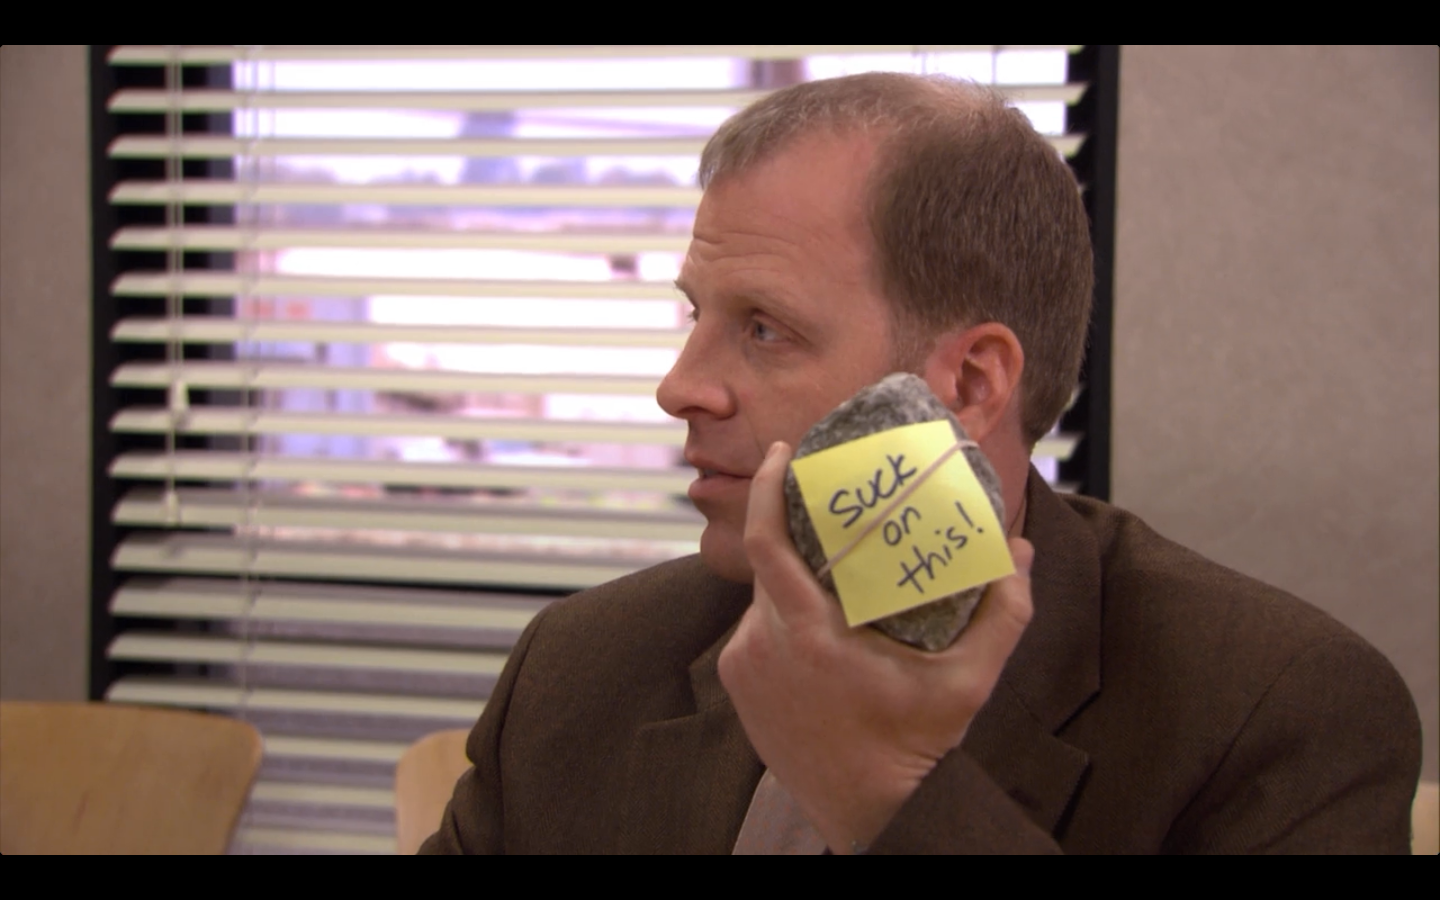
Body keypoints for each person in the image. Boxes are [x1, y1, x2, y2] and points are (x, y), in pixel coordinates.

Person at [421, 73, 1422, 854]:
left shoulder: (1271, 713)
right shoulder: (582, 666)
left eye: (765, 330)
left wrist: (886, 793)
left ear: (973, 384)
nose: (681, 386)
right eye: (697, 316)